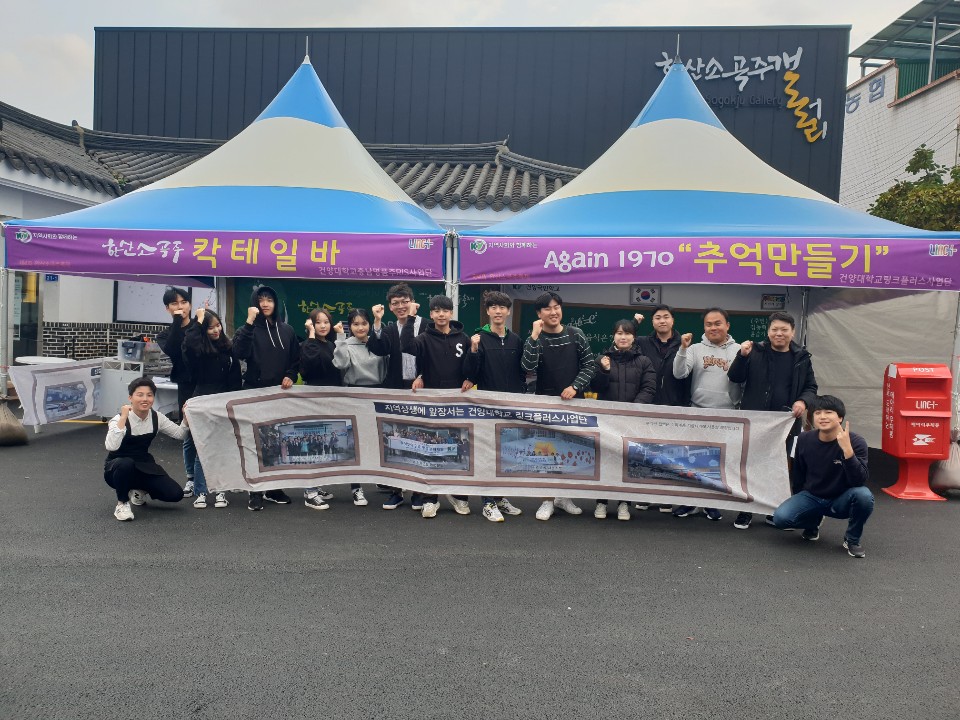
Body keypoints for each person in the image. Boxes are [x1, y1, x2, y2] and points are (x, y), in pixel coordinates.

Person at [727, 311, 818, 529]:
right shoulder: (755, 351)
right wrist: (742, 356)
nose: (779, 333)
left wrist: (802, 401)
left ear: (793, 332)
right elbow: (735, 377)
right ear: (768, 331)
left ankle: (773, 510)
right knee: (750, 464)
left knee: (779, 467)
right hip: (756, 421)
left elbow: (811, 386)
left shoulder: (802, 357)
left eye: (784, 330)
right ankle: (746, 510)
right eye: (774, 329)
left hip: (786, 423)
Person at [520, 291, 596, 521]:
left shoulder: (576, 334)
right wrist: (534, 337)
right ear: (539, 313)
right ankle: (546, 500)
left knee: (569, 451)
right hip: (545, 403)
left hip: (573, 403)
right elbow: (527, 367)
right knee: (545, 452)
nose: (553, 312)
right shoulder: (535, 338)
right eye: (547, 308)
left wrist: (575, 386)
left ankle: (563, 497)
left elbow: (589, 366)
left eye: (557, 307)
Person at [771, 395, 872, 558]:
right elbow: (799, 473)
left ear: (840, 418)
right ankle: (813, 522)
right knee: (781, 518)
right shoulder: (804, 439)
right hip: (813, 496)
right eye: (817, 413)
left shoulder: (856, 441)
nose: (822, 417)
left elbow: (859, 480)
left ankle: (852, 539)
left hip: (841, 499)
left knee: (864, 496)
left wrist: (848, 451)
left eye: (828, 412)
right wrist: (799, 503)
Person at [399, 295, 472, 519]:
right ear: (431, 314)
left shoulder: (464, 338)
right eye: (437, 311)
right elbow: (406, 346)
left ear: (451, 313)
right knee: (429, 451)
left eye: (445, 310)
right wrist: (411, 317)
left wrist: (470, 378)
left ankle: (458, 496)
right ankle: (430, 499)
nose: (441, 314)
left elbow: (471, 364)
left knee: (458, 451)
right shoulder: (423, 338)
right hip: (431, 401)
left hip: (457, 402)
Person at [233, 284, 300, 511]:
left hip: (279, 395)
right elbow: (239, 352)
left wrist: (291, 375)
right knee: (255, 444)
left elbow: (296, 359)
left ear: (275, 303)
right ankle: (255, 490)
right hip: (254, 392)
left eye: (269, 299)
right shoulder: (248, 329)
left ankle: (273, 488)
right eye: (260, 299)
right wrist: (249, 323)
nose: (265, 304)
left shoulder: (287, 330)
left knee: (278, 443)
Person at [671, 307, 742, 521]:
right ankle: (691, 501)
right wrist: (682, 349)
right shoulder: (694, 348)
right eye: (708, 324)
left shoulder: (740, 350)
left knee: (717, 463)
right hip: (698, 411)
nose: (713, 327)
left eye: (717, 323)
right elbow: (679, 373)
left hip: (727, 414)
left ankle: (712, 503)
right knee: (692, 460)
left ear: (727, 325)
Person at [462, 289, 525, 522]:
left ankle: (499, 497)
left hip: (511, 406)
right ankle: (487, 502)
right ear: (488, 311)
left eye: (502, 307)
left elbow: (522, 372)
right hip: (488, 408)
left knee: (506, 456)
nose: (498, 311)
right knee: (488, 454)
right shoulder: (478, 338)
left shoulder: (516, 340)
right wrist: (473, 350)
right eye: (493, 307)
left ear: (508, 312)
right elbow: (470, 373)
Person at [366, 282, 428, 510]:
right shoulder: (390, 328)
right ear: (390, 307)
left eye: (405, 302)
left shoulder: (427, 325)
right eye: (395, 303)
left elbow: (433, 356)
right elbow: (377, 348)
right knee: (395, 439)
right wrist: (377, 321)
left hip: (421, 388)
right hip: (396, 389)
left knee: (419, 440)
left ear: (413, 302)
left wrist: (422, 375)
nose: (401, 306)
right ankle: (396, 491)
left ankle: (419, 492)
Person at [591, 318, 656, 521]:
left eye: (627, 333)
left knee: (628, 462)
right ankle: (601, 502)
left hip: (631, 420)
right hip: (606, 420)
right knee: (605, 459)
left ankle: (624, 503)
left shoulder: (644, 361)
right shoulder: (602, 359)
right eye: (619, 333)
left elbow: (649, 388)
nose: (623, 337)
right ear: (614, 336)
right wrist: (604, 370)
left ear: (634, 337)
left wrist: (632, 410)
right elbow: (594, 387)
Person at [104, 377, 189, 521]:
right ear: (130, 398)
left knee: (175, 494)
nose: (145, 399)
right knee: (125, 463)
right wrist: (123, 417)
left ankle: (139, 490)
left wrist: (186, 417)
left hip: (144, 465)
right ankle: (122, 504)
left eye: (149, 395)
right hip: (116, 468)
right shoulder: (118, 419)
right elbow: (111, 446)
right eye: (140, 395)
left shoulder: (157, 417)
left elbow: (179, 434)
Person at [182, 306, 241, 510]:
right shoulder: (198, 351)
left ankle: (221, 489)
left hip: (223, 403)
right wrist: (198, 321)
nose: (216, 330)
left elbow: (235, 378)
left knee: (221, 447)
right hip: (201, 402)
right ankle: (200, 491)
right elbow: (189, 344)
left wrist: (234, 403)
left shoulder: (228, 348)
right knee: (202, 448)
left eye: (218, 326)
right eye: (210, 327)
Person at [633, 305, 690, 513]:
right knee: (646, 452)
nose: (662, 320)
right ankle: (645, 495)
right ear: (652, 321)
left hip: (674, 405)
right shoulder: (642, 342)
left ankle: (666, 497)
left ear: (673, 320)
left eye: (666, 317)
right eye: (658, 317)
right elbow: (621, 339)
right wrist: (634, 324)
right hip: (647, 403)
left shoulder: (684, 343)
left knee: (670, 453)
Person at [332, 307, 389, 507]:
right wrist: (340, 337)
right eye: (355, 324)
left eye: (364, 323)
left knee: (378, 440)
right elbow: (340, 364)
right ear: (350, 326)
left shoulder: (378, 343)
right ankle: (356, 487)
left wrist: (378, 321)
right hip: (355, 395)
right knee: (355, 443)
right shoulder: (345, 344)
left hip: (379, 394)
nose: (360, 328)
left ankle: (382, 479)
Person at [299, 307, 343, 510]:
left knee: (323, 445)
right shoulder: (307, 344)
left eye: (326, 322)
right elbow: (308, 366)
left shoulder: (331, 344)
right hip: (313, 400)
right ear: (311, 324)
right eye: (318, 322)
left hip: (330, 400)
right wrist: (310, 335)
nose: (323, 326)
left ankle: (316, 485)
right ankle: (310, 492)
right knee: (313, 446)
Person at [156, 286, 198, 498]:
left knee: (212, 431)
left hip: (207, 384)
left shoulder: (201, 325)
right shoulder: (165, 334)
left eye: (184, 302)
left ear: (190, 304)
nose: (180, 307)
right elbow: (172, 349)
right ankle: (191, 477)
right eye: (174, 303)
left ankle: (214, 478)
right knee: (189, 432)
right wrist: (176, 322)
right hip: (185, 385)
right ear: (168, 308)